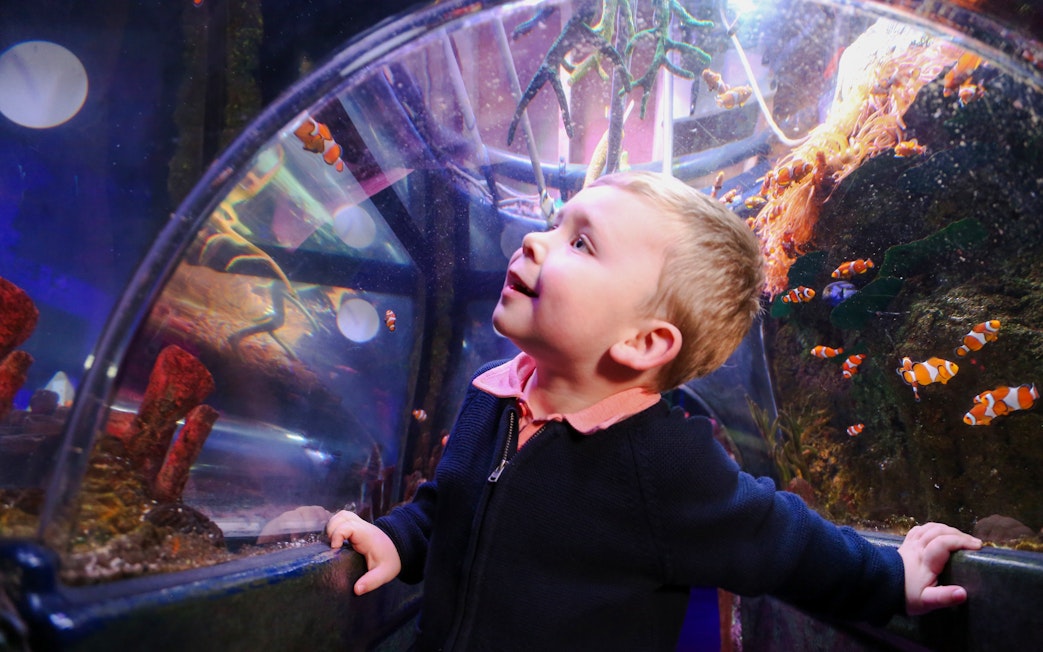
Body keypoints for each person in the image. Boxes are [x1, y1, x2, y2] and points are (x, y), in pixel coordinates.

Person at [326, 170, 981, 651]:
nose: (532, 240)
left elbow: (780, 541)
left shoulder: (664, 460)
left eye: (580, 244)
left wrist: (889, 576)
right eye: (556, 224)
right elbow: (449, 507)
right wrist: (396, 537)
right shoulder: (492, 394)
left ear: (642, 343)